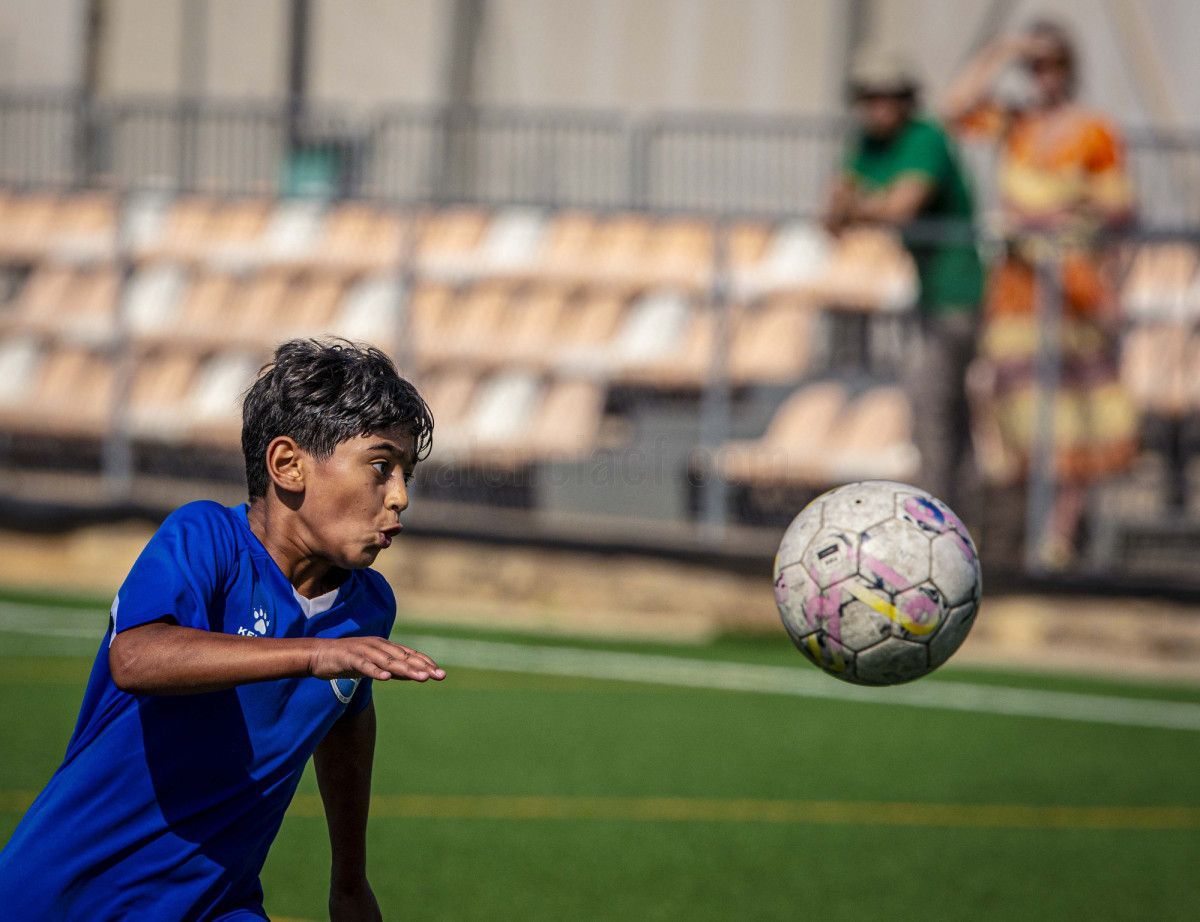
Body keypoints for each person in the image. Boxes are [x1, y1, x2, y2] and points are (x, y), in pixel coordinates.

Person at [0, 339, 444, 920]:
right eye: (381, 467)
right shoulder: (206, 538)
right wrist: (312, 654)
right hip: (73, 895)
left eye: (407, 473)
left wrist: (350, 881)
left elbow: (345, 718)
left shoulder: (370, 605)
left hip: (218, 903)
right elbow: (136, 658)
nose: (401, 497)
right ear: (287, 465)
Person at [943, 19, 1137, 566]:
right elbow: (954, 109)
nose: (1042, 76)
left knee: (1078, 418)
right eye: (1034, 66)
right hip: (1017, 291)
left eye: (1051, 65)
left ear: (1069, 70)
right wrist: (1004, 49)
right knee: (1015, 411)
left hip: (1073, 289)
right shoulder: (1014, 123)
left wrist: (1053, 216)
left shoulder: (1095, 132)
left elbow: (1120, 207)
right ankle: (1019, 532)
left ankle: (1058, 539)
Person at [824, 45, 985, 513]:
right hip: (928, 293)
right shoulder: (868, 143)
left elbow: (900, 207)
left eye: (888, 97)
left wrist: (859, 207)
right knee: (947, 406)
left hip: (959, 292)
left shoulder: (925, 138)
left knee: (931, 399)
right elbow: (831, 216)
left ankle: (936, 511)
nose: (877, 107)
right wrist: (863, 207)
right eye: (869, 97)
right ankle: (962, 510)